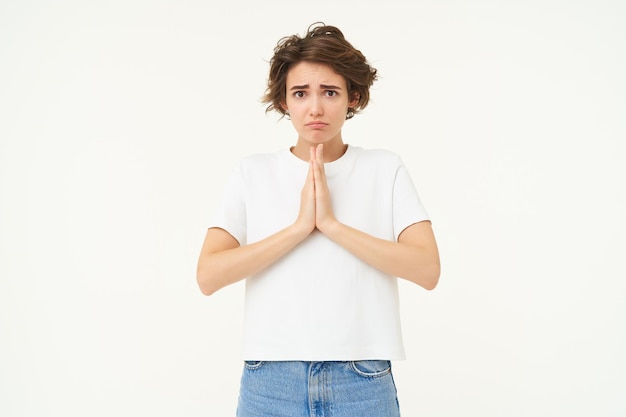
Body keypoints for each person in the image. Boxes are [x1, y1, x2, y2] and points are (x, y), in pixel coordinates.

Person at [196, 22, 440, 417]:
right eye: (300, 93)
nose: (314, 107)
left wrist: (332, 226)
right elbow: (208, 275)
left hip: (361, 378)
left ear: (353, 98)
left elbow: (427, 269)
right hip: (270, 380)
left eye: (330, 92)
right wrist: (298, 229)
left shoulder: (384, 168)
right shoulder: (251, 173)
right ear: (283, 103)